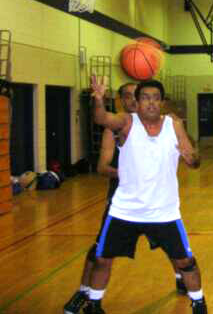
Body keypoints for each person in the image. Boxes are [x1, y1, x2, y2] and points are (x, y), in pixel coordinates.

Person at [63, 83, 187, 314]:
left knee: (172, 245)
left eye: (135, 96)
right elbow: (102, 167)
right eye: (128, 97)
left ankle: (181, 278)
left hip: (157, 200)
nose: (133, 100)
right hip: (123, 202)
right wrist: (131, 173)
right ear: (121, 101)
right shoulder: (114, 128)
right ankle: (84, 293)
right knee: (100, 251)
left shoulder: (164, 124)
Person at [85, 77, 205, 314]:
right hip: (125, 210)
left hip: (164, 211)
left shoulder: (174, 125)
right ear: (138, 102)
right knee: (102, 259)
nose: (151, 102)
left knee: (186, 262)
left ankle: (199, 304)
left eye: (156, 98)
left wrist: (191, 158)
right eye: (145, 98)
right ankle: (94, 305)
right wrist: (98, 99)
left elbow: (194, 161)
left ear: (162, 102)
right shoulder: (127, 122)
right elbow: (102, 118)